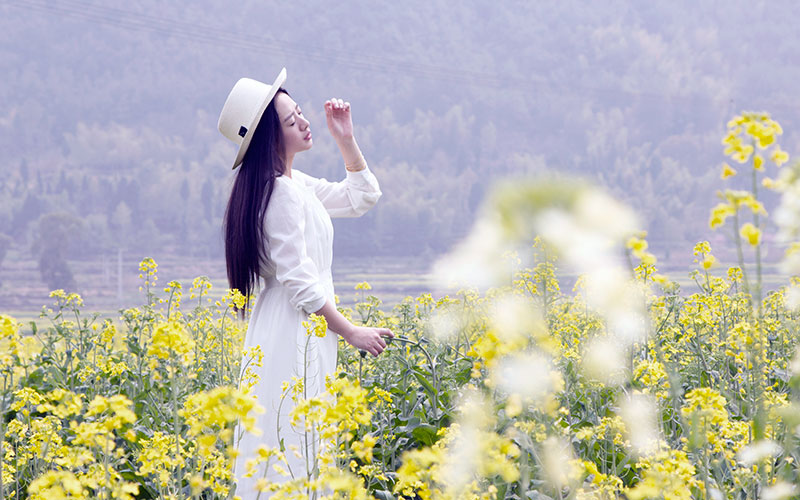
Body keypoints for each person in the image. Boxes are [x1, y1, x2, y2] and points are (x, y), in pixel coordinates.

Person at [217, 68, 393, 497]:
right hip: (294, 327)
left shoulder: (294, 185)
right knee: (292, 438)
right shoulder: (280, 192)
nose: (304, 122)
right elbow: (299, 280)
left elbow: (362, 196)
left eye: (300, 112)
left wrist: (345, 139)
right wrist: (351, 331)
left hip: (302, 325)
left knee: (299, 436)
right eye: (291, 120)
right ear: (269, 138)